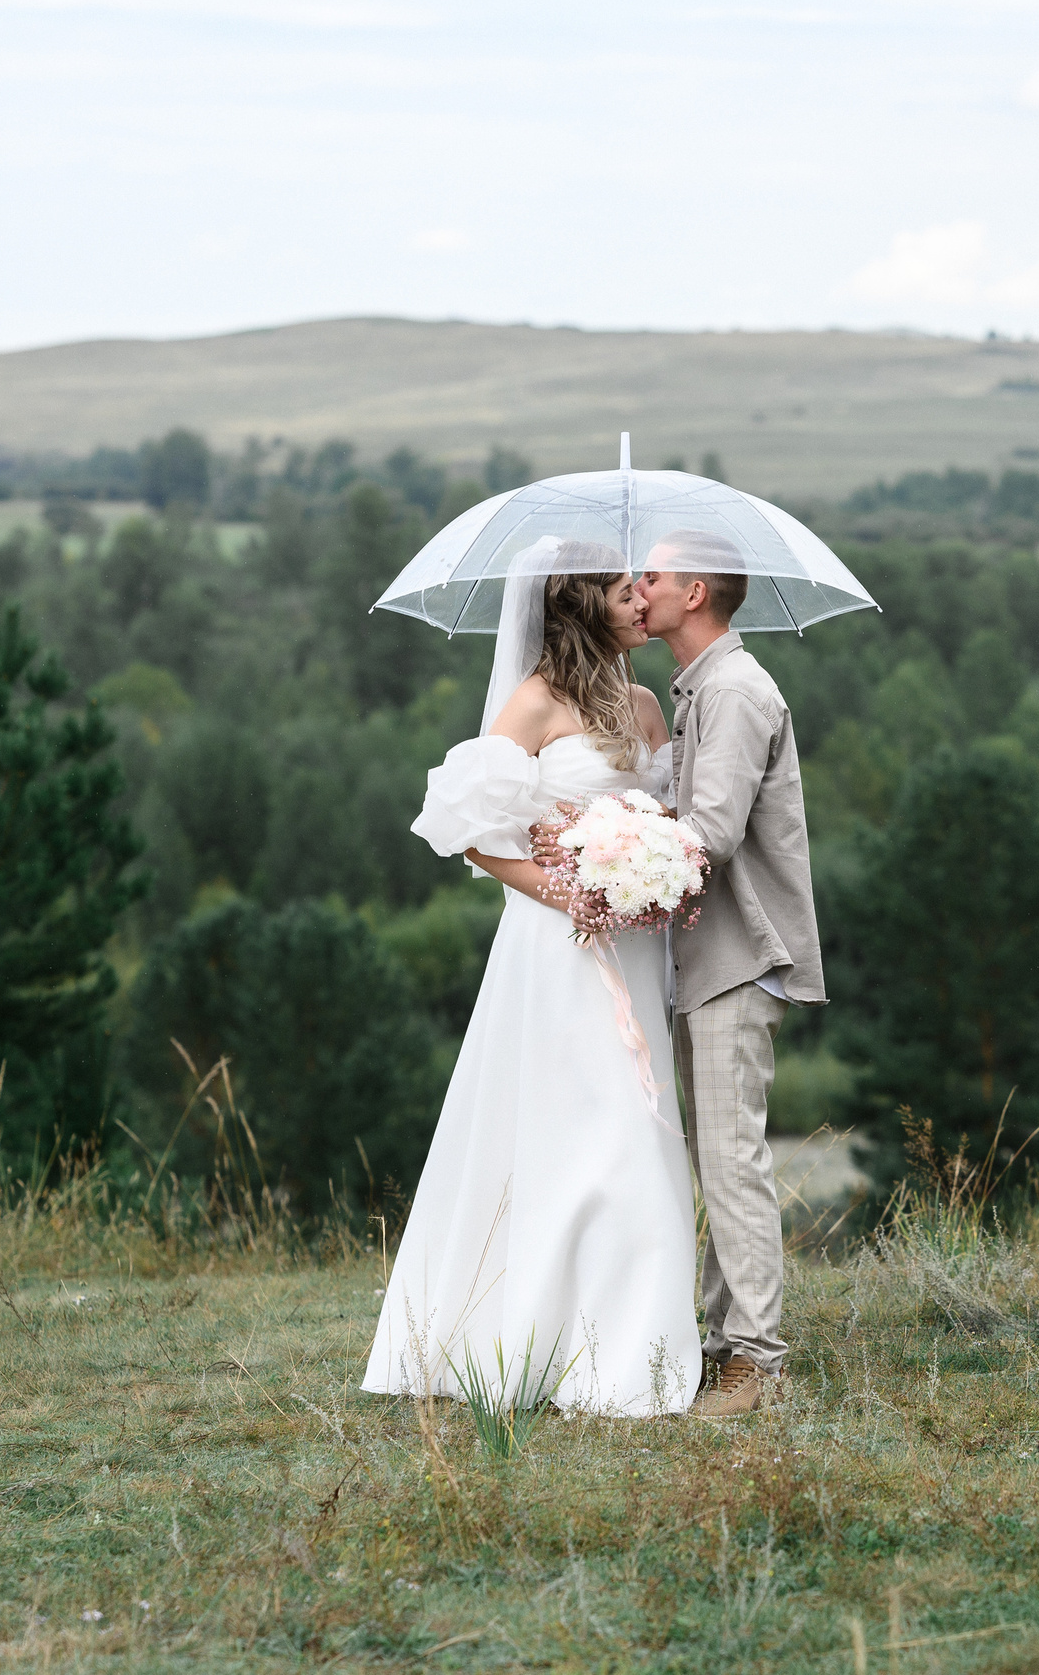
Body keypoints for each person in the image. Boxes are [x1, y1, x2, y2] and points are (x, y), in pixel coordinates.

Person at [362, 537, 702, 1418]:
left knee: (636, 1126)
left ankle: (633, 1348)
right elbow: (470, 827)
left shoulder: (642, 705)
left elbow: (664, 818)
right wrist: (563, 889)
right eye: (624, 590)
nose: (642, 602)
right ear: (578, 601)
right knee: (564, 1123)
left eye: (642, 588)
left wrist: (646, 863)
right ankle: (529, 1339)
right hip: (555, 947)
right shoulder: (535, 703)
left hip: (630, 940)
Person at [635, 530, 826, 1418]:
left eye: (655, 576)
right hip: (705, 958)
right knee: (714, 1156)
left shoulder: (740, 692)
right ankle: (721, 1345)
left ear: (697, 590)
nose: (640, 589)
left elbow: (707, 835)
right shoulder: (699, 691)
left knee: (733, 1159)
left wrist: (607, 868)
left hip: (740, 956)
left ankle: (757, 1360)